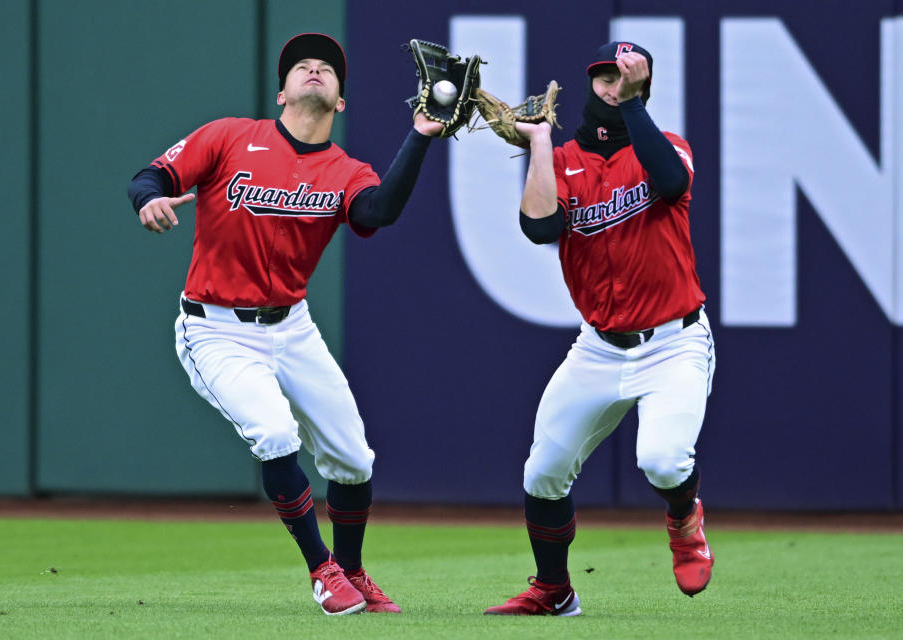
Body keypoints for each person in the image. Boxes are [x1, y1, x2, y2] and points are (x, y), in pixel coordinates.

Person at [127, 33, 446, 616]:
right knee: (275, 434)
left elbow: (379, 211)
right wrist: (147, 199)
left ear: (341, 102)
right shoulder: (227, 137)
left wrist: (421, 136)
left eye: (328, 69)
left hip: (292, 327)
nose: (316, 70)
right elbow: (150, 177)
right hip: (216, 328)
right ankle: (322, 569)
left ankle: (351, 570)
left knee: (353, 458)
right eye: (304, 66)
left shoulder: (346, 170)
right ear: (281, 91)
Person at [484, 41, 716, 616]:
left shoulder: (670, 148)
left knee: (662, 460)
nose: (611, 89)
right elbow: (540, 229)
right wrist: (539, 144)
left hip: (674, 342)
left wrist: (635, 108)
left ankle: (685, 519)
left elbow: (668, 183)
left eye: (625, 80)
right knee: (542, 471)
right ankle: (554, 591)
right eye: (604, 79)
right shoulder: (562, 160)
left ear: (642, 89)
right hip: (599, 349)